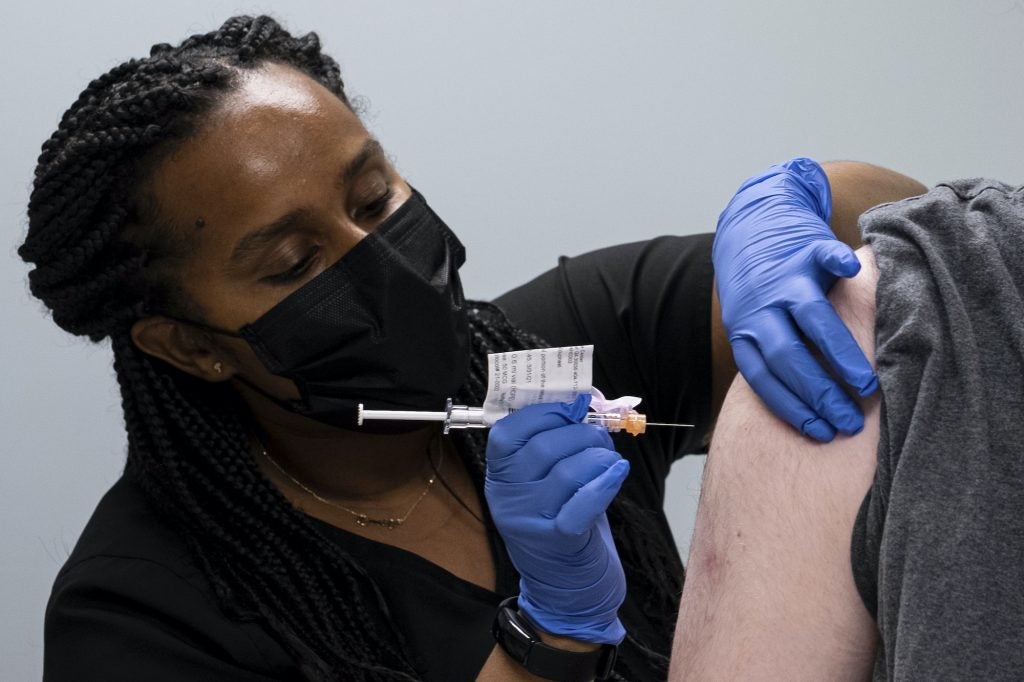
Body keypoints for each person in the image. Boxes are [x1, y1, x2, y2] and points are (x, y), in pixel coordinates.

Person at [20, 15, 924, 681]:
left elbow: (918, 240)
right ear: (187, 345)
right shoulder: (139, 618)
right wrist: (550, 632)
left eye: (374, 200)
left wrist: (782, 207)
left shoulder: (560, 349)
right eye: (294, 263)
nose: (378, 262)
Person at [670, 168, 1024, 679]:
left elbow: (888, 205)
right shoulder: (890, 305)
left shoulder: (897, 298)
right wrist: (552, 642)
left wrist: (802, 186)